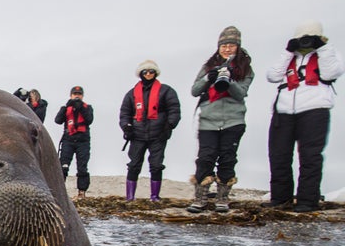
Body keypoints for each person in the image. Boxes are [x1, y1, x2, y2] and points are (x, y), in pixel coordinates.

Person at [263, 20, 345, 212]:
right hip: (283, 112)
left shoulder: (329, 53)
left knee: (310, 157)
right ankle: (280, 198)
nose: (305, 42)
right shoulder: (289, 57)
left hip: (315, 111)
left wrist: (322, 48)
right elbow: (272, 76)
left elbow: (332, 72)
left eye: (310, 38)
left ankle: (307, 201)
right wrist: (288, 51)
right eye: (302, 38)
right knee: (279, 156)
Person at [186, 26, 254, 213]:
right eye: (224, 45)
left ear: (238, 47)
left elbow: (241, 93)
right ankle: (200, 198)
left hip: (233, 120)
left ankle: (222, 198)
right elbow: (194, 90)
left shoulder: (245, 69)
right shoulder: (208, 67)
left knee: (227, 157)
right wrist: (210, 76)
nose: (227, 49)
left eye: (231, 45)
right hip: (208, 119)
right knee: (205, 157)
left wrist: (228, 80)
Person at [119, 60, 181, 201]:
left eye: (151, 71)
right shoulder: (132, 94)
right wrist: (126, 127)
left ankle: (154, 196)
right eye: (145, 72)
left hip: (158, 135)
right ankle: (130, 197)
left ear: (155, 73)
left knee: (156, 165)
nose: (148, 74)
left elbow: (174, 110)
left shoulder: (166, 91)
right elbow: (124, 113)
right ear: (140, 73)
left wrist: (169, 125)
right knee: (134, 165)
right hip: (137, 135)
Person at [54, 86, 94, 199]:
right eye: (75, 94)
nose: (77, 96)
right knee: (63, 166)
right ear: (71, 95)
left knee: (82, 167)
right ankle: (59, 191)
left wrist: (81, 108)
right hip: (68, 140)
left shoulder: (87, 108)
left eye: (79, 94)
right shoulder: (66, 108)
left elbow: (89, 120)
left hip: (83, 141)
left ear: (82, 95)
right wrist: (66, 107)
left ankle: (82, 192)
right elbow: (57, 120)